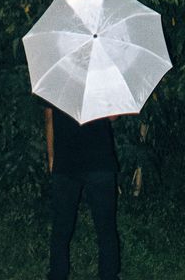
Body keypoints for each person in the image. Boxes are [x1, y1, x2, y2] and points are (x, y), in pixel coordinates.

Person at [44, 104, 121, 280]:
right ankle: (109, 275)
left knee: (61, 227)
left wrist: (51, 157)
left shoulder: (60, 79)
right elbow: (113, 117)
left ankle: (57, 275)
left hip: (66, 162)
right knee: (106, 227)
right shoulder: (102, 79)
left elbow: (49, 118)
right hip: (99, 162)